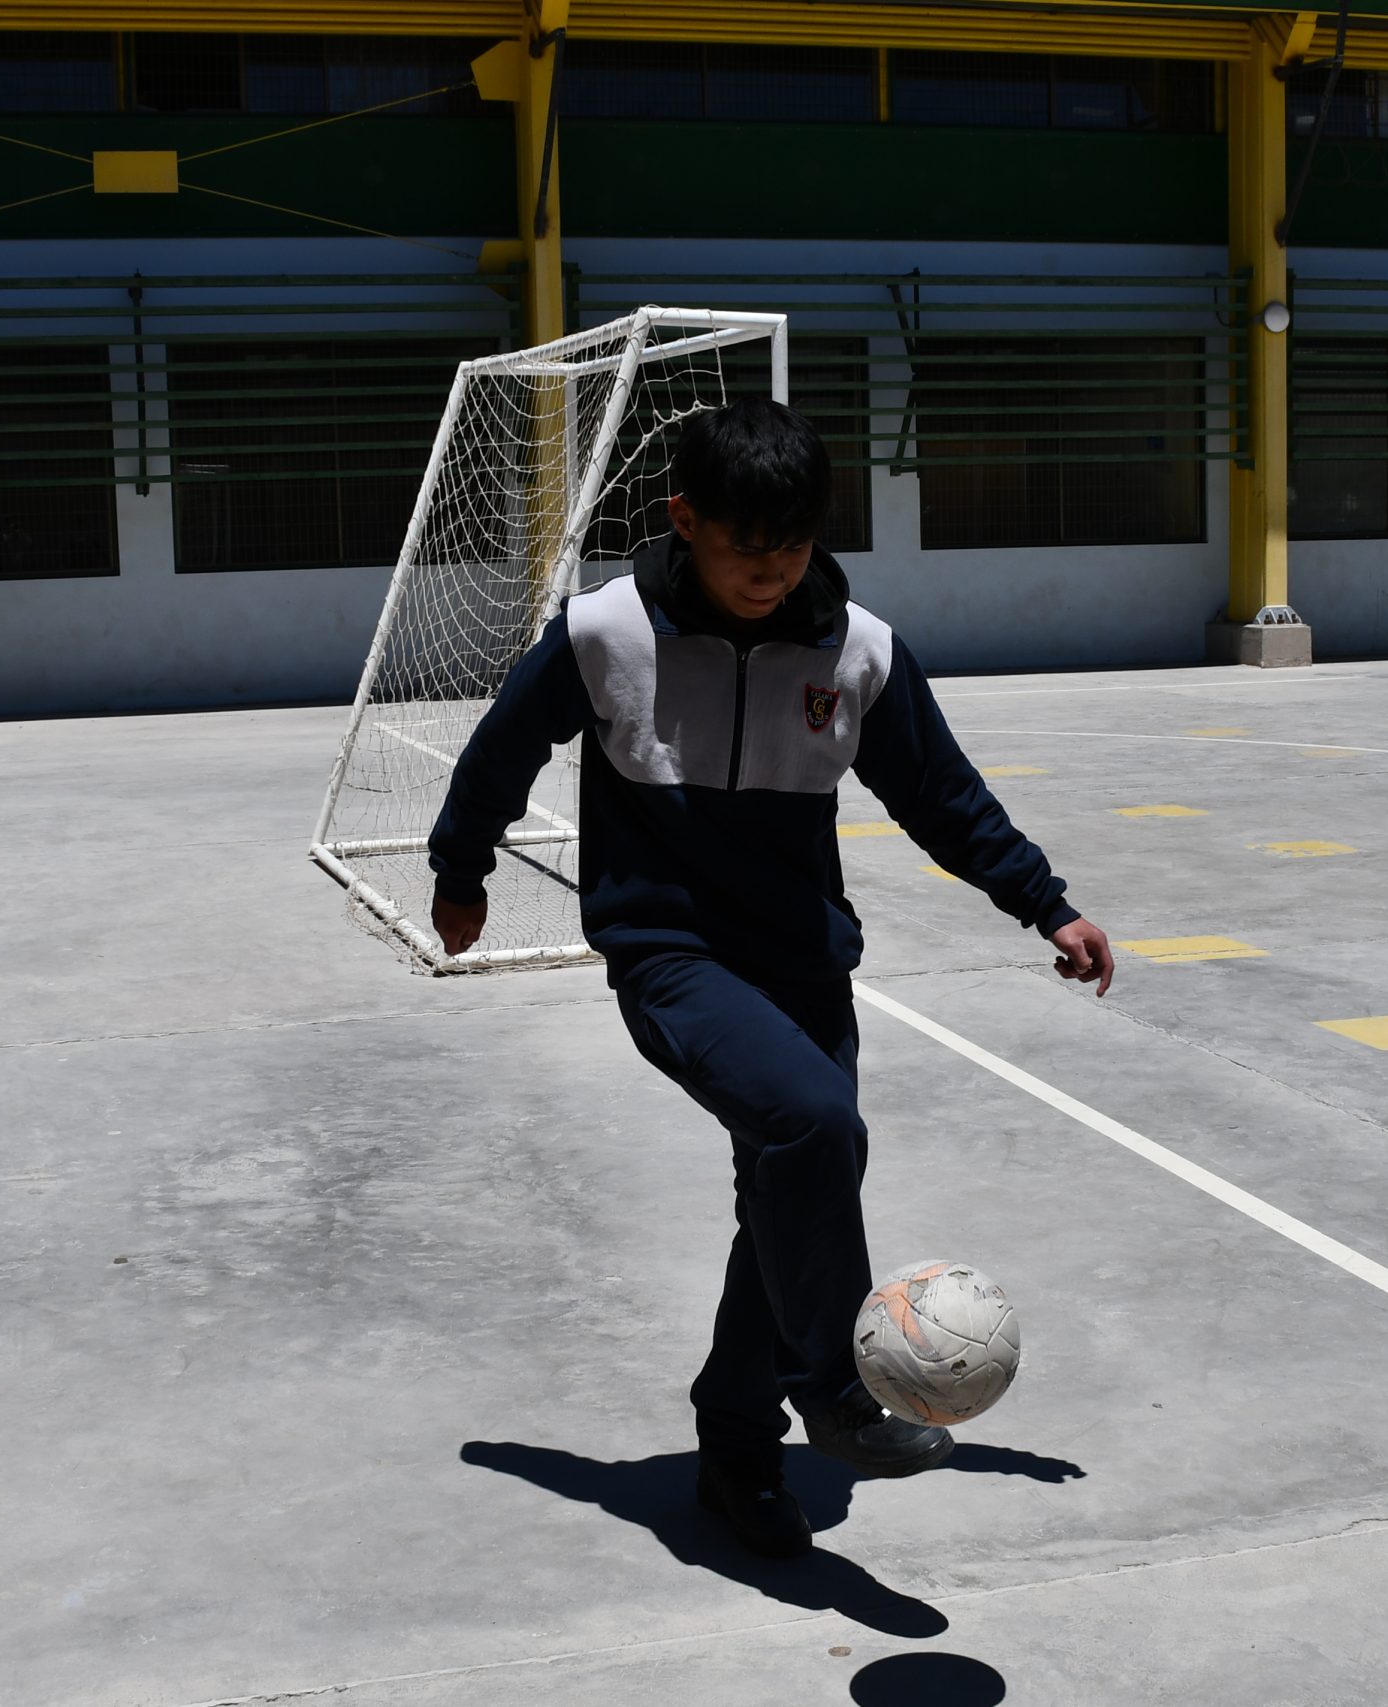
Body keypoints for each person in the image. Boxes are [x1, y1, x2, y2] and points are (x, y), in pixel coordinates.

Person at [426, 398, 1113, 1560]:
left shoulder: (856, 651)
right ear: (683, 520)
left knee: (786, 1198)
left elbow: (941, 796)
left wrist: (1046, 901)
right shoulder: (605, 634)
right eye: (747, 548)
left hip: (801, 964)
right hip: (670, 953)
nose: (770, 572)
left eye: (792, 548)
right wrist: (461, 868)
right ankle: (835, 1395)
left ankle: (736, 1454)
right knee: (813, 1127)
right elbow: (502, 745)